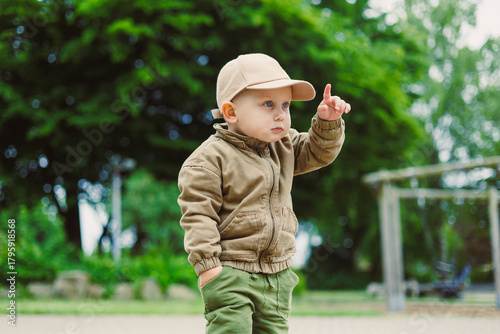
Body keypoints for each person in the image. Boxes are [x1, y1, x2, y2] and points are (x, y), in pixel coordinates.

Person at [177, 53, 351, 334]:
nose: (281, 114)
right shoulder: (209, 160)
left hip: (277, 275)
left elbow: (317, 152)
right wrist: (209, 267)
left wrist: (327, 123)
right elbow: (198, 216)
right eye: (268, 104)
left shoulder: (283, 146)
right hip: (230, 271)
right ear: (231, 112)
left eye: (285, 104)